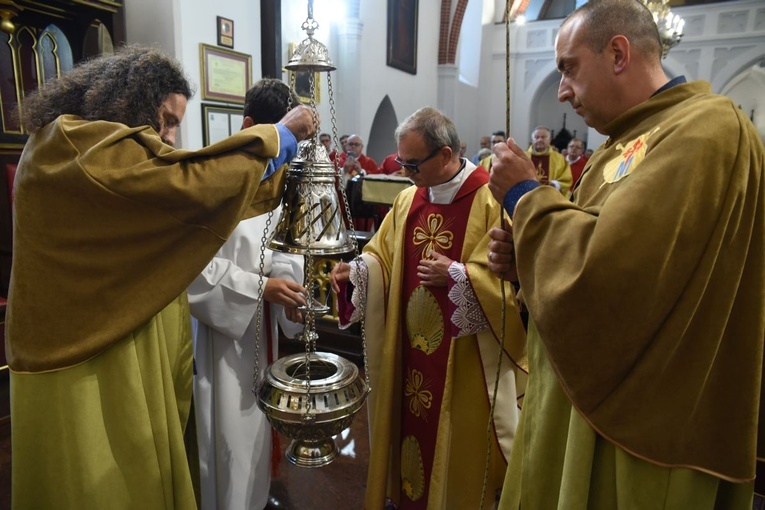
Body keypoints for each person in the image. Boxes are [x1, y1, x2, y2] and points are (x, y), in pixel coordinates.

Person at [6, 46, 316, 509]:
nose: (170, 138)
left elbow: (192, 197)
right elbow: (184, 189)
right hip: (82, 355)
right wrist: (281, 137)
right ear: (128, 101)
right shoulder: (71, 143)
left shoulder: (86, 145)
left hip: (116, 333)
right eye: (166, 120)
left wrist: (274, 173)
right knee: (100, 484)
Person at [486, 0, 765, 508]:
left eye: (568, 68)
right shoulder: (619, 147)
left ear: (618, 53)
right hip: (580, 403)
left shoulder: (705, 129)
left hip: (642, 427)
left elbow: (611, 271)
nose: (563, 91)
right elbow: (583, 254)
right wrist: (527, 259)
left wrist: (524, 197)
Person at [330, 107, 527, 509]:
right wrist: (358, 271)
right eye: (401, 162)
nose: (404, 172)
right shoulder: (407, 200)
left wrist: (457, 275)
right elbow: (382, 257)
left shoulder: (492, 200)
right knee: (409, 438)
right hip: (408, 353)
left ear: (446, 155)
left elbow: (514, 285)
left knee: (456, 452)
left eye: (413, 164)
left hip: (464, 361)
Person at [188, 78, 307, 510]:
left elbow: (271, 246)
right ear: (249, 127)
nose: (279, 160)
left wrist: (289, 276)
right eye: (276, 145)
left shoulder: (274, 178)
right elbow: (190, 271)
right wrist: (261, 287)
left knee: (254, 446)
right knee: (227, 449)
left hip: (262, 337)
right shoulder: (211, 182)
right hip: (221, 342)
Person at [526, 125, 573, 195]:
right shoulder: (523, 157)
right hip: (528, 196)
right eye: (536, 137)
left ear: (550, 140)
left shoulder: (559, 158)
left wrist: (555, 184)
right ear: (532, 140)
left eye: (543, 137)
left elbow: (566, 179)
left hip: (551, 197)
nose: (540, 139)